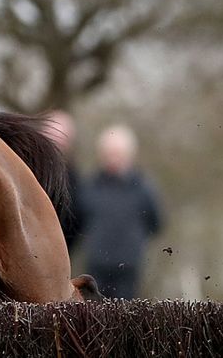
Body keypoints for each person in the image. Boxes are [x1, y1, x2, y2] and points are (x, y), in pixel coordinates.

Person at [77, 124, 163, 298]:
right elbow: (79, 221)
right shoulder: (89, 186)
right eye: (109, 153)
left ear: (129, 155)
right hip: (96, 269)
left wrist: (134, 242)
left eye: (118, 153)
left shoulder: (143, 187)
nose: (113, 158)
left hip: (128, 269)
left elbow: (156, 223)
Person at [43, 110, 83, 249]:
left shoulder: (75, 178)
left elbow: (77, 218)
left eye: (61, 137)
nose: (57, 142)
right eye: (53, 135)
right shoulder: (30, 168)